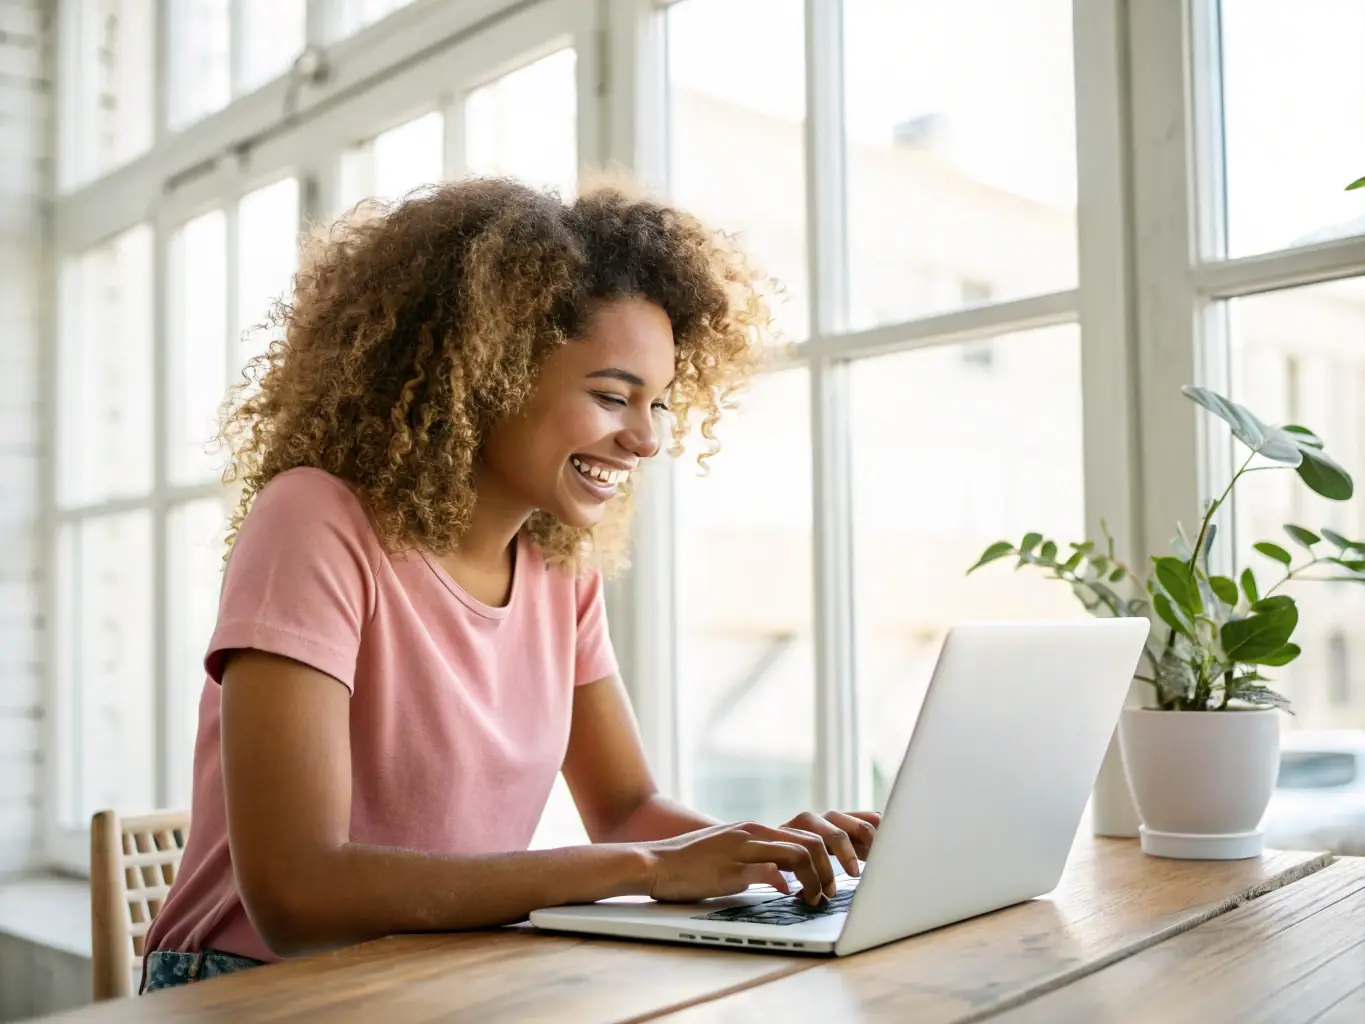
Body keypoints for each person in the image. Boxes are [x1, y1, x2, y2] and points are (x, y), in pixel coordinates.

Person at [142, 178, 880, 992]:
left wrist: (774, 856)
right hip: (247, 987)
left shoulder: (560, 569)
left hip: (439, 977)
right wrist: (638, 867)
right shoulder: (315, 520)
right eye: (610, 396)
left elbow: (628, 809)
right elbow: (296, 895)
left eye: (659, 404)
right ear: (487, 372)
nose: (644, 439)